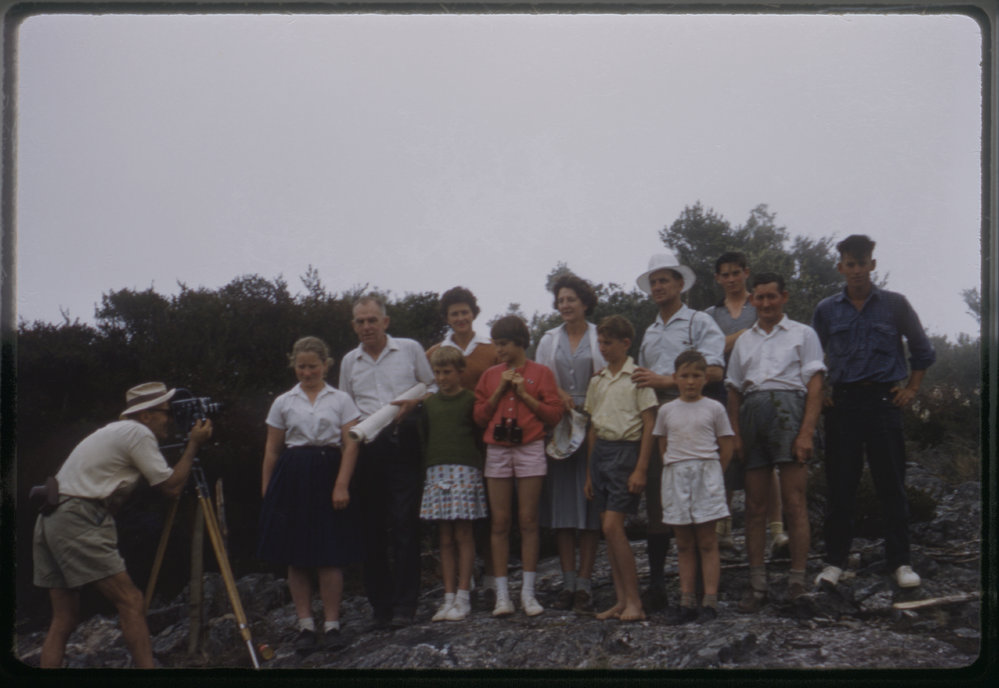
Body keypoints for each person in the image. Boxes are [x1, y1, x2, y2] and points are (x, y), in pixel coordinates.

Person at [33, 382, 213, 668]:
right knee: (130, 600)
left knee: (63, 619)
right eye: (167, 411)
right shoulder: (137, 432)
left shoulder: (113, 432)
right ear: (146, 415)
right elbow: (171, 488)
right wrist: (193, 445)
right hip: (78, 515)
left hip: (52, 517)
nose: (170, 418)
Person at [811, 235, 935, 589]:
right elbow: (809, 357)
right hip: (844, 406)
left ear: (872, 265)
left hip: (884, 404)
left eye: (862, 264)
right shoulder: (826, 309)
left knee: (891, 485)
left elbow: (923, 351)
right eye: (849, 265)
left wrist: (911, 388)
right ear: (841, 267)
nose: (856, 271)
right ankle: (834, 562)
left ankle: (901, 562)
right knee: (840, 486)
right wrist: (821, 396)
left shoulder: (895, 305)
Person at [725, 274, 826, 611]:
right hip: (753, 415)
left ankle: (797, 580)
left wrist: (806, 431)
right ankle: (757, 584)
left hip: (789, 412)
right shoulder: (744, 341)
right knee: (754, 507)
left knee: (795, 502)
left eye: (772, 297)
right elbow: (734, 390)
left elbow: (814, 384)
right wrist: (736, 434)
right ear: (752, 300)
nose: (766, 304)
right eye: (760, 298)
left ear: (784, 297)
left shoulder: (803, 334)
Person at [631, 252, 725, 610]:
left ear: (680, 284)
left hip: (694, 412)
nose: (658, 287)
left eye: (664, 280)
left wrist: (667, 379)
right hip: (659, 416)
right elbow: (642, 375)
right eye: (653, 281)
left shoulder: (699, 322)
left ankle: (705, 589)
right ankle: (658, 584)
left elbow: (715, 371)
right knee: (659, 499)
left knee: (698, 499)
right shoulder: (651, 331)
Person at [258, 337, 363, 652]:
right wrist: (267, 489)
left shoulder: (341, 399)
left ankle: (332, 625)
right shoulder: (283, 402)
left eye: (312, 366)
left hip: (329, 470)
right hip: (292, 476)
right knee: (297, 554)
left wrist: (342, 484)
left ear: (325, 365)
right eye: (301, 366)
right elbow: (272, 449)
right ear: (294, 365)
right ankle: (305, 625)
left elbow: (351, 444)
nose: (306, 372)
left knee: (329, 552)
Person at [339, 293, 436, 628]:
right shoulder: (349, 361)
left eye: (372, 320)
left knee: (405, 524)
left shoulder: (409, 349)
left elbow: (433, 385)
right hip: (366, 448)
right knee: (371, 529)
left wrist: (416, 403)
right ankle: (380, 608)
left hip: (404, 440)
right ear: (354, 326)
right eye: (360, 321)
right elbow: (346, 413)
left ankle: (405, 606)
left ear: (385, 322)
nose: (367, 327)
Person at [473, 315, 563, 617]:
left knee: (528, 520)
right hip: (497, 450)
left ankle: (528, 592)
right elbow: (479, 417)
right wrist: (500, 390)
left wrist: (524, 393)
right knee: (499, 523)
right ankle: (502, 595)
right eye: (496, 344)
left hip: (530, 447)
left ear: (519, 343)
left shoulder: (541, 373)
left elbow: (554, 415)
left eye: (503, 344)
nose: (498, 350)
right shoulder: (489, 376)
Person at [704, 252, 789, 558]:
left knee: (767, 460)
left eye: (736, 273)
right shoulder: (710, 315)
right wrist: (740, 336)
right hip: (719, 389)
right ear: (717, 278)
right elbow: (707, 349)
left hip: (760, 388)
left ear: (745, 273)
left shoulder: (760, 302)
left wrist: (731, 340)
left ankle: (777, 529)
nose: (730, 279)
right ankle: (723, 525)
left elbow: (774, 332)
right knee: (724, 455)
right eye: (724, 274)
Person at [424, 286, 499, 601]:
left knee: (491, 511)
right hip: (449, 442)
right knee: (453, 521)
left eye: (464, 312)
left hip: (486, 437)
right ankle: (459, 584)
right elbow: (425, 391)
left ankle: (495, 574)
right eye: (454, 313)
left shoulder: (490, 348)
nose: (460, 318)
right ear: (447, 318)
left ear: (474, 313)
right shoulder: (433, 353)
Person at [535, 273, 604, 613]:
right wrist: (560, 397)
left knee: (590, 506)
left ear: (584, 302)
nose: (565, 306)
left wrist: (589, 405)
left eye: (571, 300)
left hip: (593, 422)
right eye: (560, 300)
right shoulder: (549, 339)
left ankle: (587, 584)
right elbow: (542, 379)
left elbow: (607, 375)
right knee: (562, 508)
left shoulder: (597, 335)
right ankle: (568, 581)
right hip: (561, 424)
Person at [582, 315, 658, 622]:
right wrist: (589, 472)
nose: (603, 348)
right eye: (600, 342)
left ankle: (636, 603)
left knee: (614, 527)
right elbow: (592, 428)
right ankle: (621, 600)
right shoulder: (597, 380)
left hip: (627, 452)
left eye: (608, 343)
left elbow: (650, 422)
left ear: (626, 343)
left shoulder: (638, 377)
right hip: (601, 454)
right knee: (607, 531)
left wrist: (640, 469)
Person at [652, 351, 735, 624]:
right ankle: (687, 600)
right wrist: (677, 468)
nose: (690, 382)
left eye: (696, 376)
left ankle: (709, 601)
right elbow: (663, 446)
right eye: (684, 376)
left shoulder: (714, 408)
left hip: (706, 474)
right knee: (685, 544)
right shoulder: (666, 410)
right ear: (675, 378)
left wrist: (712, 474)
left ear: (705, 378)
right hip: (676, 475)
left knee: (708, 542)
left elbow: (726, 446)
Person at [419, 347, 489, 622]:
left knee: (464, 534)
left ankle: (464, 595)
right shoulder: (430, 404)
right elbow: (425, 438)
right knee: (444, 538)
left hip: (465, 469)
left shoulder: (470, 401)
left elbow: (478, 435)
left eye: (447, 372)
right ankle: (447, 598)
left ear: (460, 372)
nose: (442, 377)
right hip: (437, 471)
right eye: (437, 372)